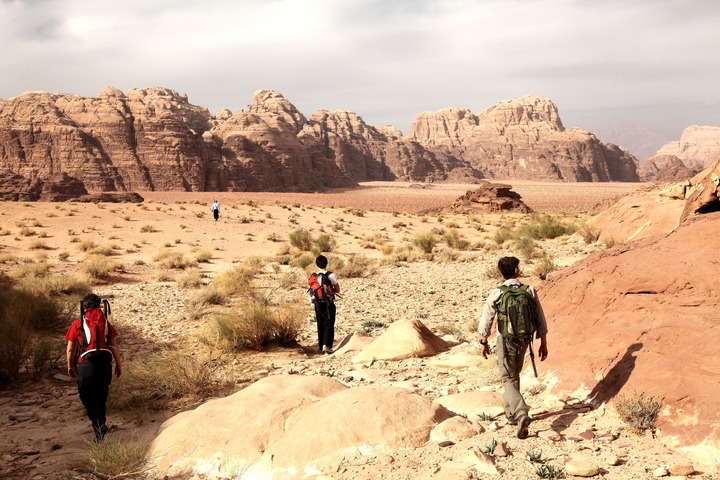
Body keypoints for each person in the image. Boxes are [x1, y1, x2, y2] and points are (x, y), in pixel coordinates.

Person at [478, 256, 548, 439]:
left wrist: (484, 341)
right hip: (524, 340)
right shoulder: (529, 290)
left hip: (505, 340)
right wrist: (544, 343)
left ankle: (520, 413)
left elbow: (486, 319)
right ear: (516, 270)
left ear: (502, 272)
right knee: (513, 375)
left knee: (507, 378)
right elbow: (540, 317)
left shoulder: (497, 292)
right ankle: (511, 416)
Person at [65, 293, 122, 442]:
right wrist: (119, 366)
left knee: (86, 397)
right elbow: (115, 346)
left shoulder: (77, 324)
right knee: (101, 397)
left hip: (86, 364)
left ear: (84, 307)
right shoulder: (105, 323)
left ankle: (98, 424)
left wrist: (70, 366)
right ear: (100, 306)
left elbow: (71, 349)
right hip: (105, 363)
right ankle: (100, 430)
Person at [312, 255, 340, 354]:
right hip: (329, 303)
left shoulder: (314, 276)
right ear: (326, 263)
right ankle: (327, 345)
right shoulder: (330, 275)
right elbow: (337, 290)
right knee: (329, 323)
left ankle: (320, 346)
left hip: (317, 303)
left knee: (320, 323)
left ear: (317, 264)